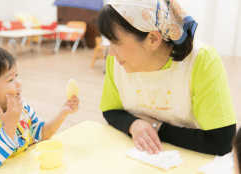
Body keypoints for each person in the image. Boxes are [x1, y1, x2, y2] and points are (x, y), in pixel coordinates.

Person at [98, 0, 237, 156]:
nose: (110, 52)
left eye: (115, 42)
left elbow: (221, 142)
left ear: (153, 39)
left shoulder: (201, 60)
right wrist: (134, 124)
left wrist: (155, 126)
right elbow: (110, 110)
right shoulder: (117, 61)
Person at [0, 44, 79, 172]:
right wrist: (10, 125)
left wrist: (63, 112)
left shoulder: (21, 108)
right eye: (10, 79)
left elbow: (42, 133)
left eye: (16, 75)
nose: (19, 83)